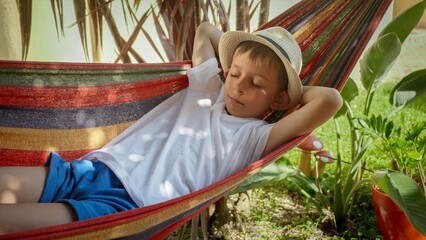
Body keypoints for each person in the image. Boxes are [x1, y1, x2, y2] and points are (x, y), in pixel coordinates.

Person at [0, 22, 342, 233]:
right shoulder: (208, 88)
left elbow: (330, 101)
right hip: (94, 168)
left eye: (256, 85)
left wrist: (291, 93)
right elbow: (206, 29)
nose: (238, 87)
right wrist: (245, 60)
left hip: (128, 208)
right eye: (235, 74)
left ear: (278, 101)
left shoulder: (255, 138)